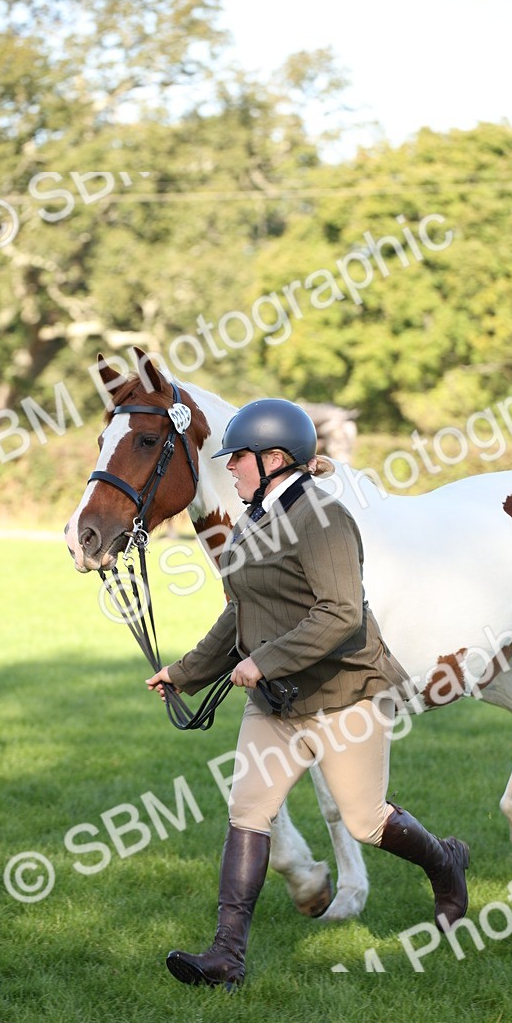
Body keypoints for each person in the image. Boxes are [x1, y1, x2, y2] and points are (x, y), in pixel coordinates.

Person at [146, 399, 469, 989]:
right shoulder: (251, 520)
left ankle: (445, 862)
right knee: (248, 811)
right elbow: (240, 612)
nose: (230, 467)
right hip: (277, 704)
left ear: (273, 459)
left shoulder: (324, 519)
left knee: (365, 820)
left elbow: (341, 613)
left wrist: (264, 660)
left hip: (345, 697)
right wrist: (185, 673)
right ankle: (226, 957)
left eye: (238, 458)